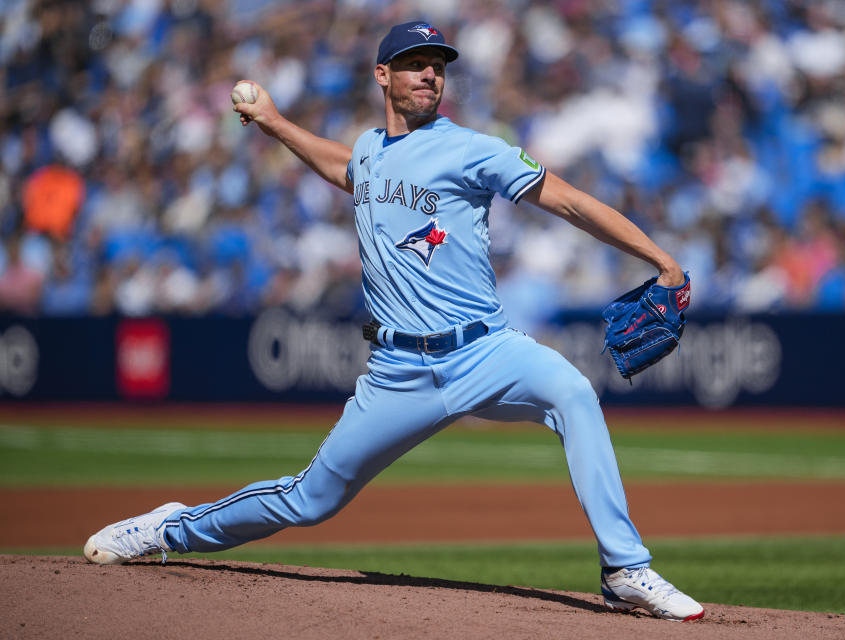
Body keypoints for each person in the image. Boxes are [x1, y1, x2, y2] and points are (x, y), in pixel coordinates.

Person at [83, 21, 704, 622]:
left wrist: (660, 259)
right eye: (415, 64)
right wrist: (274, 124)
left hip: (483, 351)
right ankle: (170, 528)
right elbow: (346, 168)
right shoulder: (368, 150)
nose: (430, 74)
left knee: (571, 391)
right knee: (309, 500)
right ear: (383, 74)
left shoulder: (472, 148)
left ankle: (624, 569)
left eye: (437, 66)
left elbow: (567, 200)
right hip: (398, 371)